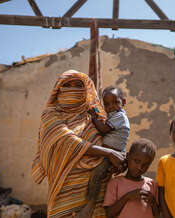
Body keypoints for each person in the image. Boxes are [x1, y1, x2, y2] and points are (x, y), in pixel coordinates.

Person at [32, 70, 125, 218]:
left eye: (78, 85)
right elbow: (67, 140)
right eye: (68, 85)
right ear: (59, 89)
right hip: (65, 188)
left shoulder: (94, 116)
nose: (74, 89)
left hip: (97, 191)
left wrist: (115, 162)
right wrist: (108, 153)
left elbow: (111, 140)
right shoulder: (50, 114)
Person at [81, 86, 130, 217]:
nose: (111, 106)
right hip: (111, 153)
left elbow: (103, 129)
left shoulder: (119, 116)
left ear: (123, 102)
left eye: (115, 102)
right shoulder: (113, 115)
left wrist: (93, 117)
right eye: (107, 104)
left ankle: (90, 204)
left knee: (96, 174)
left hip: (112, 154)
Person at [103, 138, 159, 218]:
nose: (140, 167)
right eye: (137, 161)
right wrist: (127, 197)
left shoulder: (152, 184)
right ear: (128, 156)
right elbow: (109, 214)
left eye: (145, 165)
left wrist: (153, 202)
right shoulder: (115, 183)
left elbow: (157, 215)